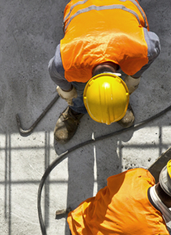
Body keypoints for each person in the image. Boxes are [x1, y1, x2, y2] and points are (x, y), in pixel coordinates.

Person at [48, 0, 161, 144]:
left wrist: (134, 77)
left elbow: (154, 48)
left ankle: (115, 103)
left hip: (122, 7)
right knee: (78, 88)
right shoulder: (67, 61)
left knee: (130, 67)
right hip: (82, 7)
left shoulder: (143, 48)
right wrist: (68, 92)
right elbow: (54, 72)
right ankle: (77, 108)